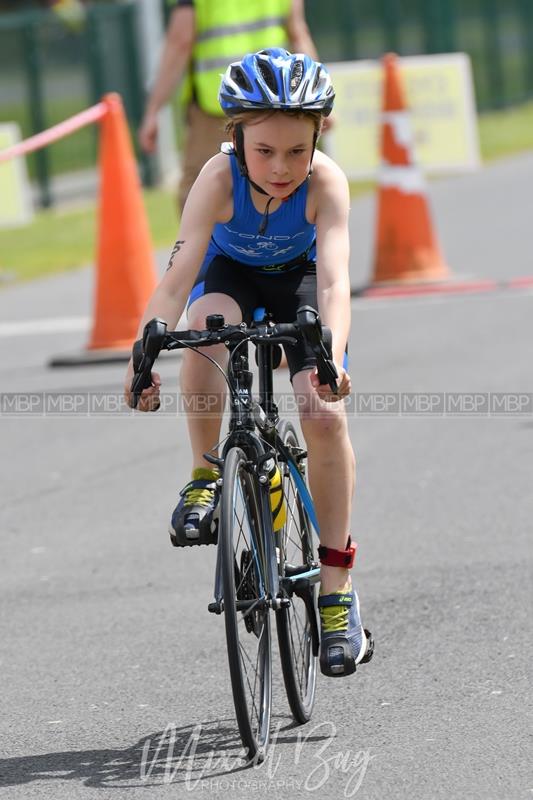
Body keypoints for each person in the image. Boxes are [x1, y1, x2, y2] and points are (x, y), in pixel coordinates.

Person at [125, 48, 373, 678]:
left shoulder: (327, 183)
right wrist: (143, 350)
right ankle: (206, 473)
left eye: (298, 150)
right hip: (230, 276)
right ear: (236, 139)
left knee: (321, 414)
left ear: (318, 136)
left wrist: (331, 358)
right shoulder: (216, 177)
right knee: (205, 327)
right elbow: (178, 274)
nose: (283, 167)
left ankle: (337, 592)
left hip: (302, 282)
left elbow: (338, 282)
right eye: (265, 152)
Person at [139, 0, 321, 212]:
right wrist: (314, 98)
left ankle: (204, 244)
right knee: (281, 183)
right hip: (277, 102)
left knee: (199, 189)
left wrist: (153, 110)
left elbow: (180, 41)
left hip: (218, 104)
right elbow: (298, 34)